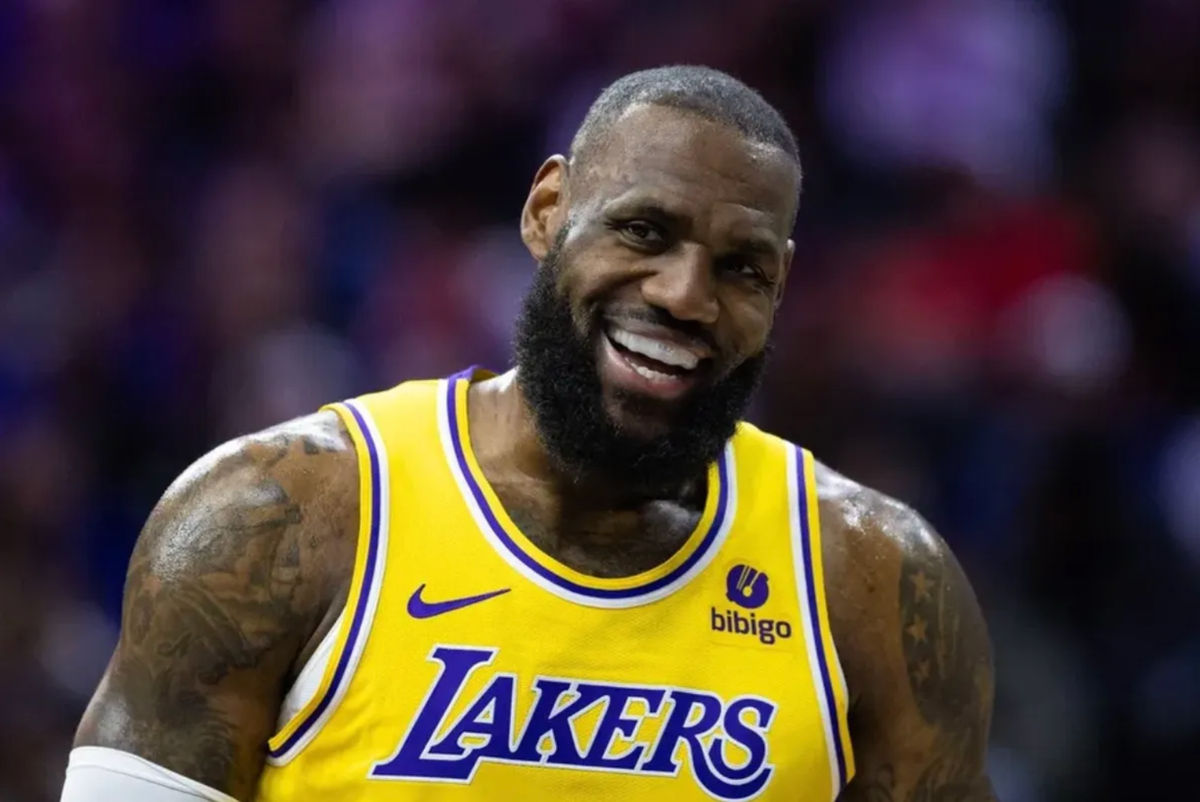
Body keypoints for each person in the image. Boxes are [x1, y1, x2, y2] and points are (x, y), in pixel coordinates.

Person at [62, 66, 997, 802]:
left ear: (780, 288)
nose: (684, 295)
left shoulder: (875, 583)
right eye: (643, 231)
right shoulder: (278, 520)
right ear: (548, 211)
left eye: (740, 268)